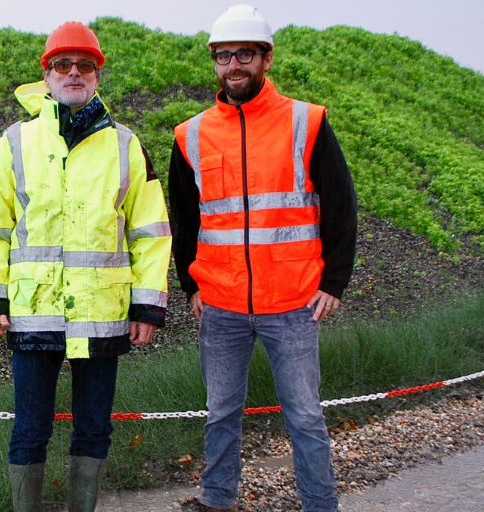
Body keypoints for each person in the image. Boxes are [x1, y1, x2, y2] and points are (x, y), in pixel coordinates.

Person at [0, 21, 172, 512]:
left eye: (85, 65)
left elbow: (150, 231)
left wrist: (147, 306)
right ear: (47, 75)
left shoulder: (126, 146)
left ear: (97, 76)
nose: (74, 72)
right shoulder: (13, 143)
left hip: (102, 315)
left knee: (94, 428)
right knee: (30, 430)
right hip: (32, 313)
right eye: (63, 64)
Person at [167, 5, 358, 512]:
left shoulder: (307, 121)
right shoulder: (190, 135)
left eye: (244, 54)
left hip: (294, 301)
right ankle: (216, 498)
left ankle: (320, 504)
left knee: (304, 415)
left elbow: (340, 204)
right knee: (221, 410)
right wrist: (191, 286)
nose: (234, 65)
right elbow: (185, 220)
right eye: (224, 55)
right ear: (214, 61)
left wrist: (334, 282)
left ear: (266, 59)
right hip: (222, 303)